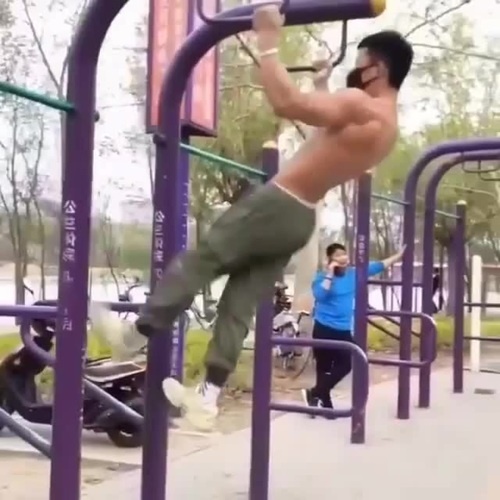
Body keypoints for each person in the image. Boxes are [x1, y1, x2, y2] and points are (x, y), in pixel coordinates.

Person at [92, 5, 414, 431]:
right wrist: (322, 83)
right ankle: (208, 397)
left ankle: (134, 336)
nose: (354, 73)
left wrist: (268, 40)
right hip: (300, 219)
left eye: (359, 65)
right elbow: (327, 140)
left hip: (277, 203)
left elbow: (286, 102)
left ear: (377, 69)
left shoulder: (360, 104)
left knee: (203, 259)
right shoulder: (387, 127)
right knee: (239, 303)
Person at [302, 243, 405, 415]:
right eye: (337, 255)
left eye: (344, 254)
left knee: (346, 365)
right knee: (324, 366)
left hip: (342, 329)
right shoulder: (321, 277)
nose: (342, 258)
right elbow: (320, 294)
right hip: (323, 327)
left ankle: (315, 392)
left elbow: (378, 266)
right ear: (330, 259)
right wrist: (330, 273)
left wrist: (398, 256)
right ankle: (324, 403)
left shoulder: (354, 273)